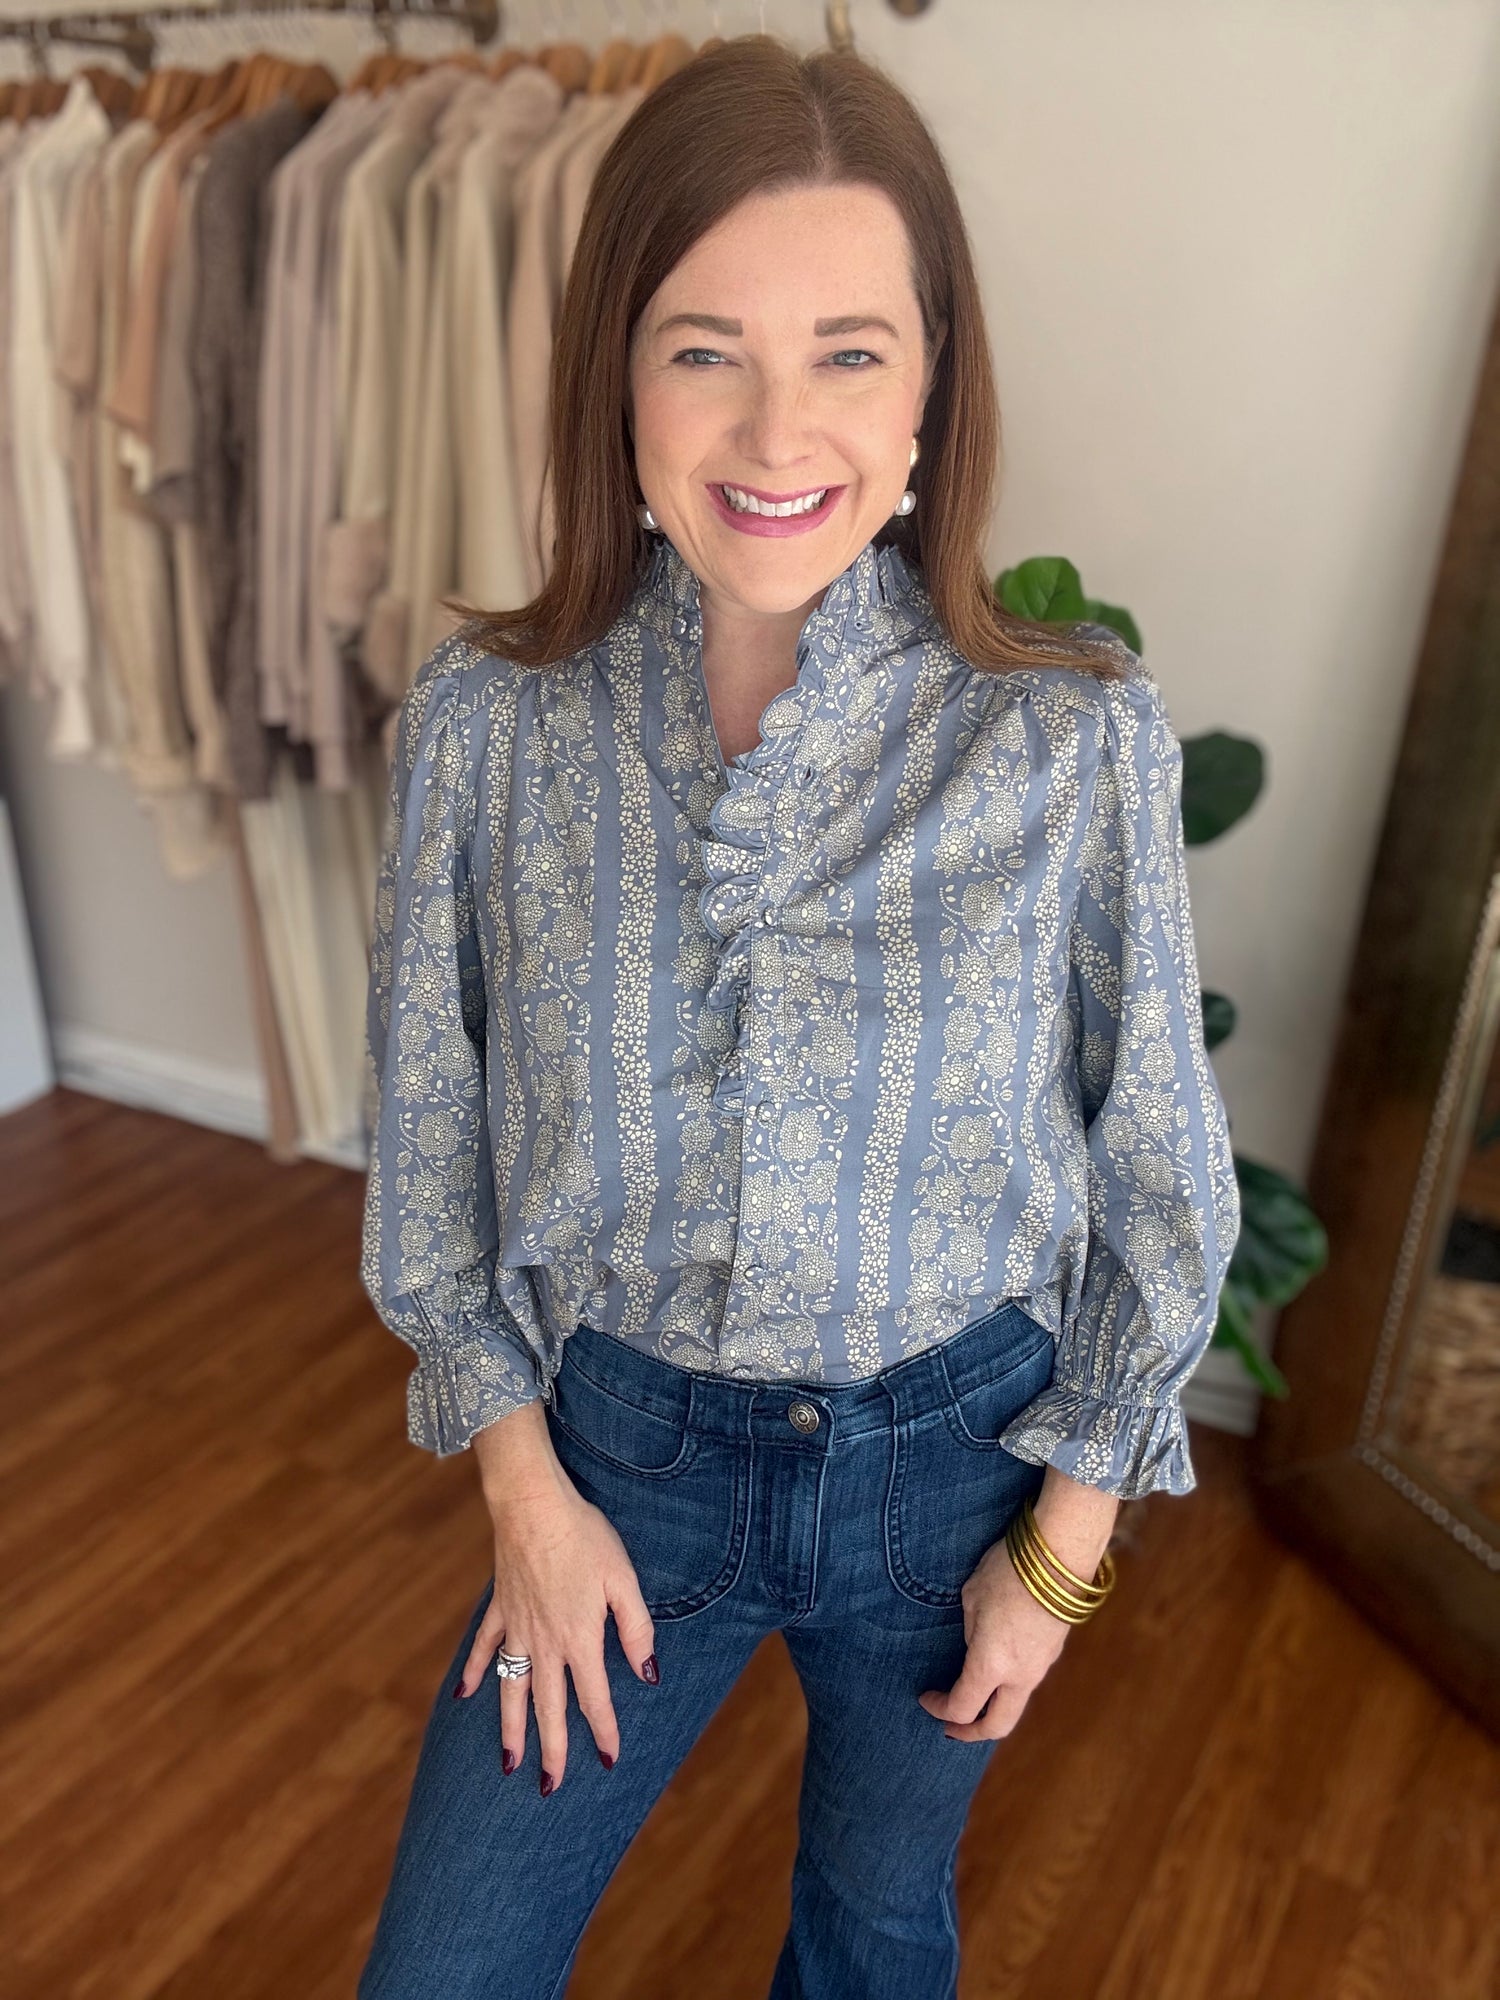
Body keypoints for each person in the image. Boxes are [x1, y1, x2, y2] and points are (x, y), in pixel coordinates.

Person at [356, 33, 1240, 2000]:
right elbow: (428, 1145)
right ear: (619, 381)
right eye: (705, 349)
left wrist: (1061, 1554)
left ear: (931, 390)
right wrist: (523, 1491)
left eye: (850, 350)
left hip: (955, 1470)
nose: (778, 427)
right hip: (617, 1464)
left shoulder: (1070, 736)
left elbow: (1161, 1181)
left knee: (873, 1933)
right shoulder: (493, 727)